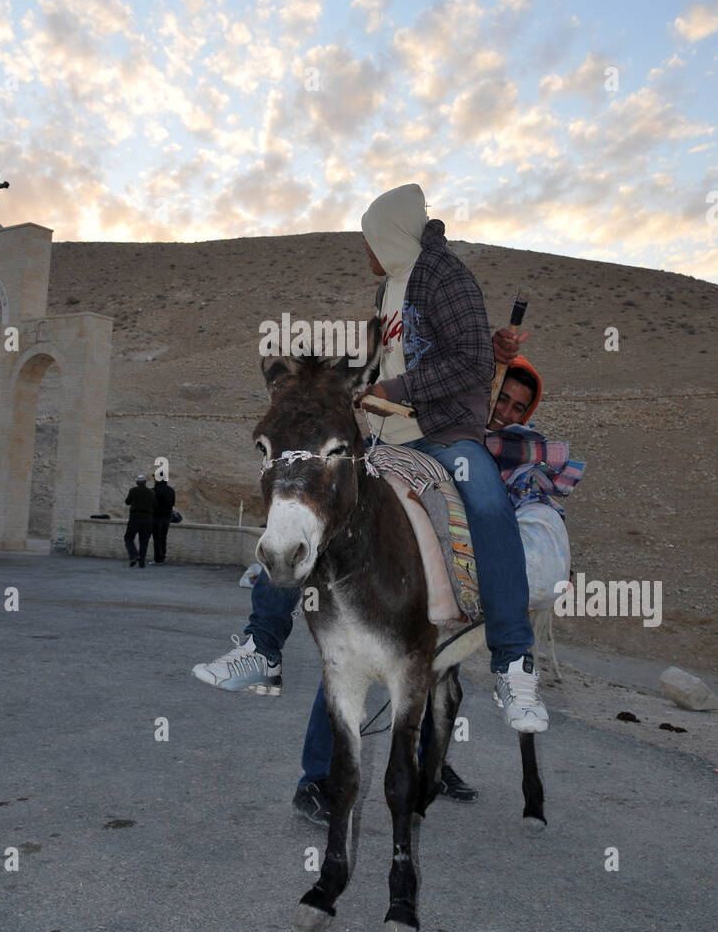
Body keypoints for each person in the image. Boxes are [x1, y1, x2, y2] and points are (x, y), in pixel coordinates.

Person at [194, 184, 546, 735]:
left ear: (391, 232)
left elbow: (474, 362)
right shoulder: (390, 290)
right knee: (310, 495)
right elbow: (374, 361)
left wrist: (399, 387)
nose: (365, 250)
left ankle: (513, 663)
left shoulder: (445, 276)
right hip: (385, 439)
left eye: (369, 237)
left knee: (488, 504)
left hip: (443, 435)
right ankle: (262, 646)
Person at [293, 355, 585, 825]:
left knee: (433, 668)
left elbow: (531, 510)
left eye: (516, 408)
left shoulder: (511, 455)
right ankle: (314, 779)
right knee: (349, 659)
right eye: (501, 399)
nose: (505, 413)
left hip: (450, 571)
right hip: (392, 564)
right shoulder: (437, 429)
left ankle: (431, 765)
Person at [124, 474, 154, 568]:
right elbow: (155, 505)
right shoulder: (151, 492)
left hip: (134, 518)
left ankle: (134, 555)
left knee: (128, 538)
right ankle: (142, 563)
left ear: (137, 482)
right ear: (145, 482)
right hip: (147, 519)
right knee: (144, 541)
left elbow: (127, 502)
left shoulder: (133, 490)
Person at [150, 475, 176, 565]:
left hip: (156, 516)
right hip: (167, 517)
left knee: (156, 538)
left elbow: (152, 504)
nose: (154, 479)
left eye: (155, 477)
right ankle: (162, 557)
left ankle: (157, 559)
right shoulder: (171, 490)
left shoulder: (154, 491)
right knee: (163, 537)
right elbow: (172, 503)